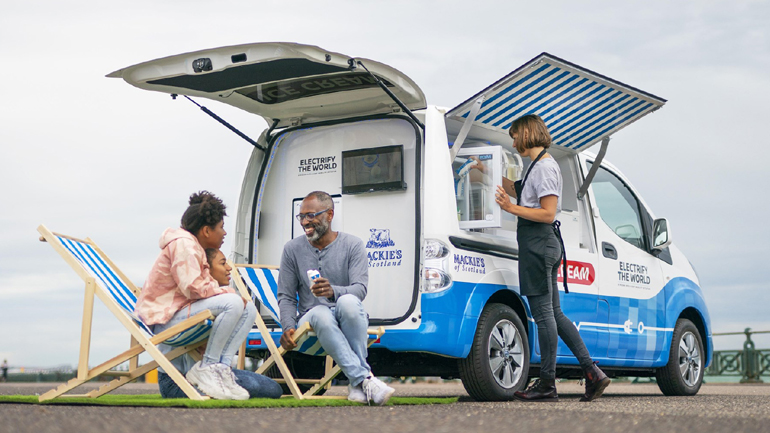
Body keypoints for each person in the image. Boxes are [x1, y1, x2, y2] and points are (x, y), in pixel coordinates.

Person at [494, 114, 610, 402]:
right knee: (554, 315)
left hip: (539, 244)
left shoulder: (545, 167)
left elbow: (547, 213)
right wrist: (487, 171)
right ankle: (593, 373)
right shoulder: (536, 165)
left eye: (515, 135)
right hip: (542, 245)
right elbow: (522, 191)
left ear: (527, 134)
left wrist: (511, 208)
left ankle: (547, 383)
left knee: (544, 316)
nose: (513, 140)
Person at [136, 191, 258, 400]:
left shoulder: (193, 246)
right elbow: (192, 287)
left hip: (180, 315)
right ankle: (209, 366)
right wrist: (225, 291)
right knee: (233, 302)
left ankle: (221, 369)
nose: (225, 233)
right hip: (166, 323)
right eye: (221, 227)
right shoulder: (184, 244)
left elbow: (200, 288)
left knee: (249, 309)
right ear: (206, 230)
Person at [277, 190, 395, 405]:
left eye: (311, 215)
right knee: (320, 312)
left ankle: (358, 384)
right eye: (301, 216)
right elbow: (286, 296)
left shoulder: (353, 245)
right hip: (310, 320)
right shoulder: (292, 249)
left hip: (346, 318)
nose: (305, 222)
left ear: (329, 215)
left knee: (348, 301)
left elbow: (359, 289)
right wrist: (287, 326)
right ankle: (365, 378)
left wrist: (333, 291)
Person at [155, 248, 282, 399]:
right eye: (223, 263)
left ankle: (219, 379)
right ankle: (214, 383)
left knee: (273, 389)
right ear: (206, 269)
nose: (229, 268)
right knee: (255, 387)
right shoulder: (191, 304)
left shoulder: (221, 304)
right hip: (179, 380)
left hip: (216, 374)